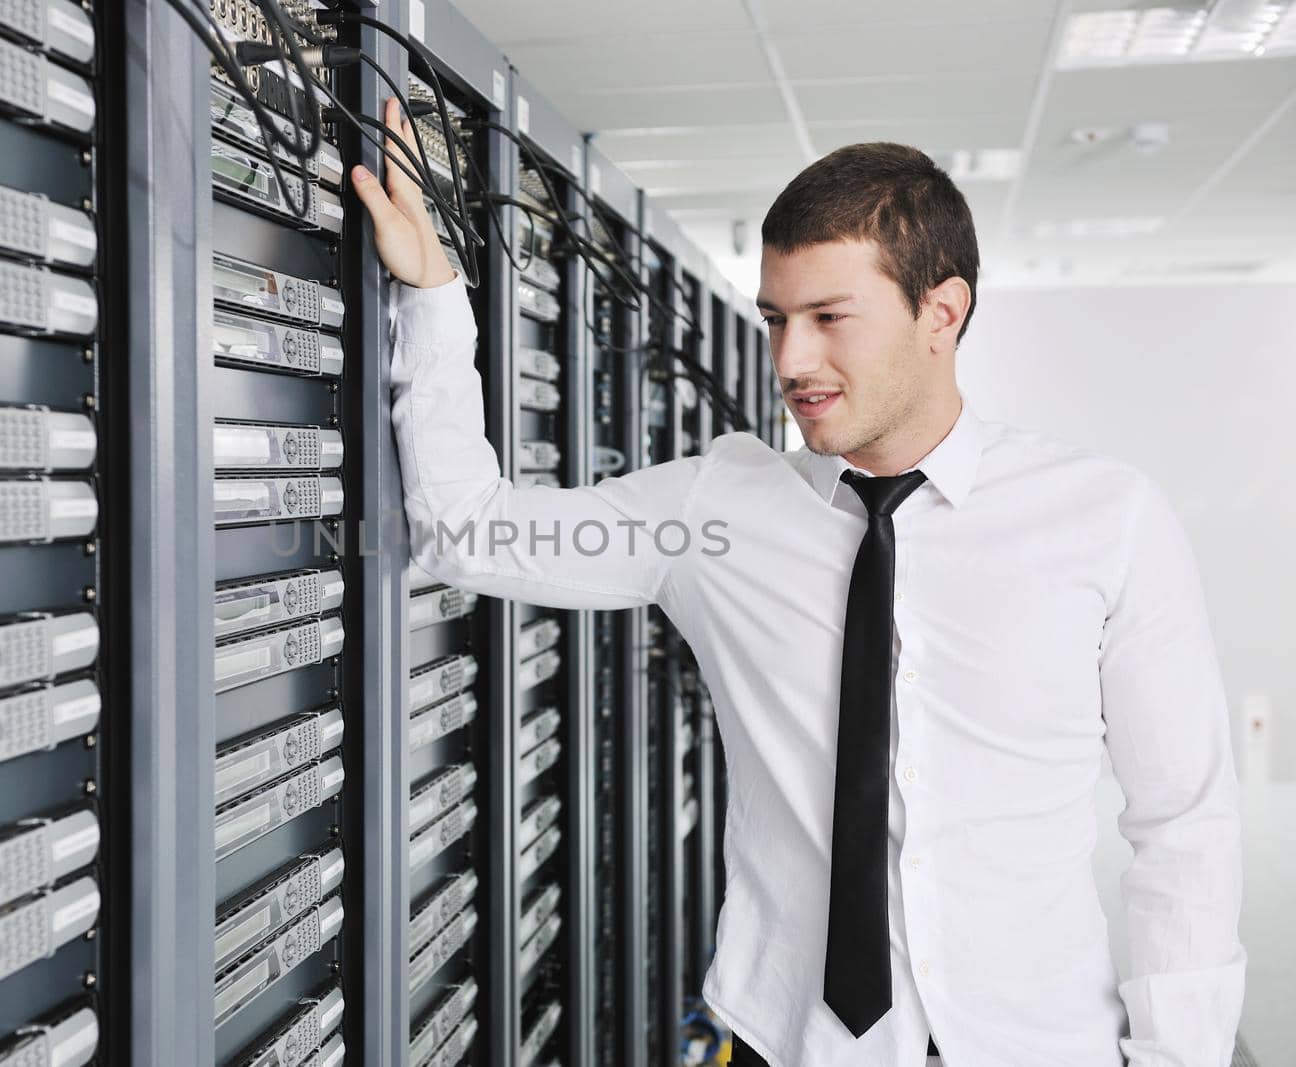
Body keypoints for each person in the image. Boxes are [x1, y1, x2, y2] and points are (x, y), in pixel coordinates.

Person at [350, 97, 1247, 1067]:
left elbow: (1181, 818)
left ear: (940, 311)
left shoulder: (1105, 518)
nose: (789, 360)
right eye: (775, 318)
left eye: (829, 318)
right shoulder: (716, 508)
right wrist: (433, 298)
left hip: (1038, 1040)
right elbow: (468, 534)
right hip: (786, 1038)